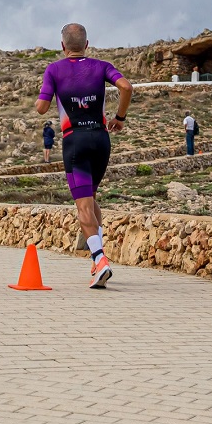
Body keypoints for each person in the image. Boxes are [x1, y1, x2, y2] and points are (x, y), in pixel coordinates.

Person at [35, 23, 133, 289]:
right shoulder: (101, 66)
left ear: (63, 46)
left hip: (75, 141)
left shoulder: (54, 70)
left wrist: (42, 98)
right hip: (101, 140)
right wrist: (120, 118)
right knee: (90, 199)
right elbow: (126, 87)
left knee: (83, 206)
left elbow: (42, 108)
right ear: (87, 45)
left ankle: (100, 260)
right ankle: (96, 262)